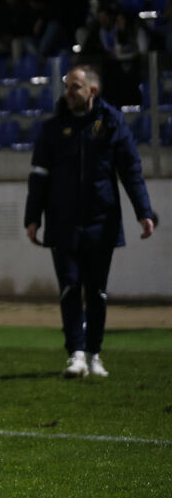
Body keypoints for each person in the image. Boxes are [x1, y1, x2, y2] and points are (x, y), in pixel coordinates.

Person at [25, 65, 157, 378]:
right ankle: (76, 354)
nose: (68, 93)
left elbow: (130, 170)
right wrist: (32, 218)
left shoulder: (112, 122)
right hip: (62, 222)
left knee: (96, 291)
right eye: (67, 87)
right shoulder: (53, 128)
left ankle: (95, 353)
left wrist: (144, 212)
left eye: (75, 87)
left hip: (102, 220)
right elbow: (38, 177)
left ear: (92, 92)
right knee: (70, 288)